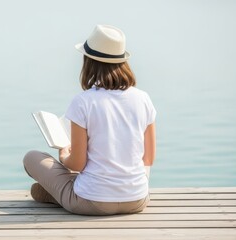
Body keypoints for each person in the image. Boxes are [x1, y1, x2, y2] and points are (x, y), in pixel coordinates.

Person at [23, 25, 156, 215]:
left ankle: (59, 193)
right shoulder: (143, 98)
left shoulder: (83, 102)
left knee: (32, 157)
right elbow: (148, 158)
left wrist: (63, 152)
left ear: (89, 62)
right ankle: (63, 192)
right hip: (137, 200)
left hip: (91, 202)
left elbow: (77, 164)